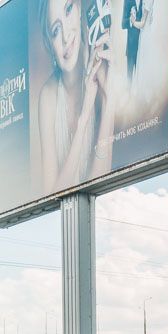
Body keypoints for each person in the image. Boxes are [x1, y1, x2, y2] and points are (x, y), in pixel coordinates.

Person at [36, 0, 115, 195]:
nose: (65, 36)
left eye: (68, 9)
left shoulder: (104, 70)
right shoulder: (48, 97)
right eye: (55, 30)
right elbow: (52, 194)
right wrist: (84, 118)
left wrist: (109, 101)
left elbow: (101, 181)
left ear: (79, 8)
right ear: (49, 43)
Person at [123, 0, 144, 79]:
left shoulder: (145, 1)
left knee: (141, 79)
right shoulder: (127, 1)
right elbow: (123, 24)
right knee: (129, 79)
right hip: (131, 47)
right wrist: (131, 20)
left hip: (143, 46)